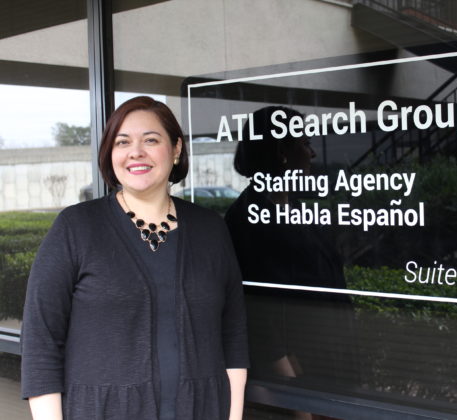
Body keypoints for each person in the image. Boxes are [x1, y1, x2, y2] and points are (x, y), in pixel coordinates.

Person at [21, 96, 249, 420]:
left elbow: (233, 336)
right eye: (122, 142)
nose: (136, 152)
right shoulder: (76, 227)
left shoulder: (211, 229)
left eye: (151, 140)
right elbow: (41, 341)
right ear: (110, 154)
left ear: (176, 148)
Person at [225, 107, 359, 419]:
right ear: (281, 152)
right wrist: (297, 403)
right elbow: (258, 320)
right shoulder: (246, 220)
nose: (312, 153)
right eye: (305, 143)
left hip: (332, 370)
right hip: (301, 383)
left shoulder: (300, 209)